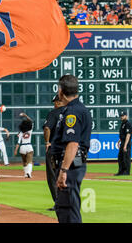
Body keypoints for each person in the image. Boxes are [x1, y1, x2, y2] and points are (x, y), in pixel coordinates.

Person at [50, 75, 92, 223]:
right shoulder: (75, 108)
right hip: (73, 163)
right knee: (65, 206)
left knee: (68, 209)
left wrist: (64, 171)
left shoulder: (73, 111)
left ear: (60, 91)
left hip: (71, 164)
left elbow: (73, 143)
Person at [43, 94, 64, 211]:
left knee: (52, 176)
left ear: (58, 102)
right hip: (67, 149)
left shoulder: (53, 113)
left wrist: (47, 142)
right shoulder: (69, 112)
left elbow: (47, 128)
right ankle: (69, 203)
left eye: (55, 101)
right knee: (66, 175)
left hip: (54, 149)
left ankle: (58, 203)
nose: (54, 104)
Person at [14, 113, 34, 178]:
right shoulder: (30, 130)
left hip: (22, 147)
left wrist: (15, 150)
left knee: (24, 162)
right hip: (29, 146)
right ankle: (29, 173)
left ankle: (26, 174)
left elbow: (18, 143)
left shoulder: (21, 133)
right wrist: (25, 115)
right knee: (30, 161)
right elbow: (31, 121)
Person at [115, 111, 132, 176]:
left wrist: (125, 145)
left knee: (126, 158)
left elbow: (128, 135)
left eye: (123, 115)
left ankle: (126, 172)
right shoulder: (123, 123)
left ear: (126, 116)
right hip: (123, 141)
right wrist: (119, 140)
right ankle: (121, 171)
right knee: (120, 157)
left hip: (126, 143)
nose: (121, 117)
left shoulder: (128, 123)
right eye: (121, 116)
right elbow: (123, 134)